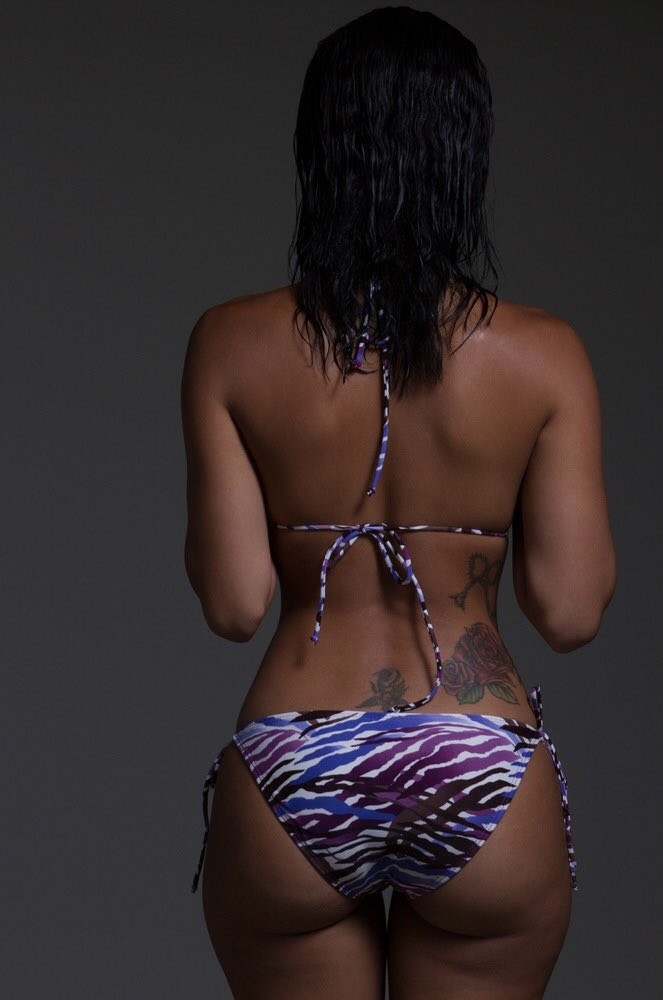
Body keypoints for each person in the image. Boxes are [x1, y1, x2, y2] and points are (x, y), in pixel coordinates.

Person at [181, 7, 615, 998]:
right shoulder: (545, 355)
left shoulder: (230, 344)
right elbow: (570, 610)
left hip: (298, 764)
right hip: (476, 754)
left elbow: (235, 604)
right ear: (463, 154)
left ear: (320, 149)